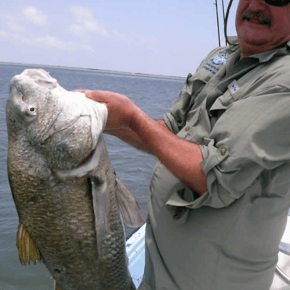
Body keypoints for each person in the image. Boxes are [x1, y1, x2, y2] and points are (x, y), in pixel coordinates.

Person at [77, 0, 290, 289]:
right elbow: (167, 133)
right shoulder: (221, 56)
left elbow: (213, 176)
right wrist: (100, 119)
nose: (256, 5)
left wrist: (132, 116)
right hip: (160, 270)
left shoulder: (284, 80)